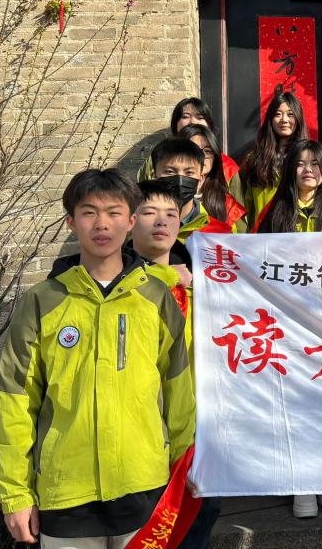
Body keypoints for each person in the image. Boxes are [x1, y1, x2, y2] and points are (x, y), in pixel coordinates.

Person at [0, 169, 194, 548]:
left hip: (145, 486)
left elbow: (178, 389)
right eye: (89, 212)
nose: (102, 224)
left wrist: (186, 466)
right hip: (66, 492)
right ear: (71, 221)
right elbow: (16, 401)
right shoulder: (42, 301)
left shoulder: (155, 298)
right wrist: (15, 493)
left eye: (114, 212)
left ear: (130, 221)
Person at [256, 140, 322, 518]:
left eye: (315, 163)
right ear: (290, 170)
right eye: (300, 164)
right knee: (295, 406)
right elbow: (254, 264)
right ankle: (302, 483)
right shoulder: (273, 213)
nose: (308, 170)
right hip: (287, 326)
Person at [129, 180, 221, 549]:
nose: (162, 221)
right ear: (129, 221)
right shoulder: (117, 287)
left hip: (200, 428)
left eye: (171, 214)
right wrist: (167, 275)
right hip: (142, 433)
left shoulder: (204, 285)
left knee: (199, 521)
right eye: (149, 212)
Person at [137, 97, 241, 188]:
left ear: (209, 124)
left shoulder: (227, 166)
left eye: (200, 117)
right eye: (185, 116)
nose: (193, 121)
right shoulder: (157, 158)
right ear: (175, 124)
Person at [241, 91, 307, 230]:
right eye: (278, 114)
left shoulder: (308, 158)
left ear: (298, 118)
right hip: (262, 234)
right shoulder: (254, 159)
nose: (284, 120)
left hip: (296, 234)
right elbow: (244, 203)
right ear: (270, 119)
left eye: (290, 114)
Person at [178, 124, 246, 233]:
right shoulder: (165, 196)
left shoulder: (226, 202)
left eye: (208, 151)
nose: (202, 156)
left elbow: (238, 238)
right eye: (193, 149)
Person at [151, 137, 209, 241]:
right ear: (154, 177)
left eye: (189, 172)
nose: (180, 180)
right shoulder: (136, 227)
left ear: (200, 180)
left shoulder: (217, 233)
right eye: (170, 171)